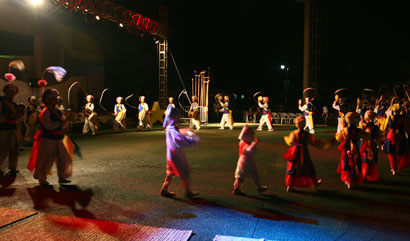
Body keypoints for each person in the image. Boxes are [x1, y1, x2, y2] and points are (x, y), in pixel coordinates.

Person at [28, 89, 72, 185]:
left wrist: (67, 120)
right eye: (53, 98)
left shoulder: (56, 111)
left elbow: (63, 122)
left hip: (57, 138)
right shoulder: (45, 112)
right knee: (46, 159)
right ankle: (41, 177)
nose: (55, 99)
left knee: (63, 157)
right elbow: (48, 126)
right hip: (48, 139)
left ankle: (62, 177)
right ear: (48, 100)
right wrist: (61, 124)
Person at [160, 107, 200, 198]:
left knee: (170, 173)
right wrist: (193, 140)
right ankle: (187, 191)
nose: (179, 118)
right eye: (178, 117)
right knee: (184, 172)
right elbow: (179, 139)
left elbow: (177, 134)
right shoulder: (172, 129)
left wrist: (184, 131)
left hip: (171, 155)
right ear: (174, 117)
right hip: (176, 155)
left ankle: (164, 189)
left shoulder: (170, 127)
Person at [283, 116, 332, 192]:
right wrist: (328, 143)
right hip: (304, 152)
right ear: (305, 124)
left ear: (296, 125)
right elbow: (316, 142)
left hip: (295, 152)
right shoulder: (307, 134)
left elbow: (290, 142)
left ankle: (289, 185)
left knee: (292, 167)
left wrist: (286, 138)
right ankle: (315, 183)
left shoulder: (293, 133)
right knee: (309, 167)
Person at [335, 112, 369, 189]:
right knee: (355, 162)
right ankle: (354, 178)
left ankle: (348, 180)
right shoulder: (358, 130)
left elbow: (339, 138)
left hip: (346, 148)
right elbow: (366, 136)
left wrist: (336, 135)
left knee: (346, 162)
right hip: (355, 148)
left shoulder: (345, 130)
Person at [233, 125, 268, 195]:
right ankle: (258, 187)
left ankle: (236, 188)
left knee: (239, 176)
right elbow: (249, 150)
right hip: (246, 161)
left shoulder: (242, 142)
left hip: (240, 161)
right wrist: (254, 143)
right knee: (255, 174)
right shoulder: (246, 144)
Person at [381, 103, 410, 175]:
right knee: (400, 152)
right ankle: (397, 167)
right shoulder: (403, 118)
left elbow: (383, 128)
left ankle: (393, 168)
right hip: (401, 136)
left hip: (391, 136)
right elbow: (407, 129)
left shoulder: (389, 117)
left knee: (391, 153)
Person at [0, 83, 21, 176]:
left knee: (14, 149)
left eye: (13, 93)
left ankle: (13, 167)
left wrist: (19, 114)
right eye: (10, 92)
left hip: (13, 128)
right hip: (4, 128)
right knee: (3, 148)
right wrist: (9, 117)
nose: (12, 94)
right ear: (7, 93)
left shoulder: (14, 104)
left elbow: (16, 118)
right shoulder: (2, 103)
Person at [359, 110, 384, 182]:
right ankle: (371, 175)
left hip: (364, 144)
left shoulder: (363, 126)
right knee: (371, 160)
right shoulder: (375, 127)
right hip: (372, 144)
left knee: (365, 159)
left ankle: (364, 174)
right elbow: (379, 136)